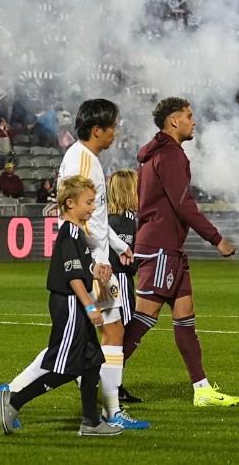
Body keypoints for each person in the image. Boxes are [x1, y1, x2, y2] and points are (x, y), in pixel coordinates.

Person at [0, 99, 146, 429]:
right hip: (94, 266)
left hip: (100, 260)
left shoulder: (86, 157)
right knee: (102, 336)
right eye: (113, 126)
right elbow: (81, 216)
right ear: (98, 129)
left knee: (94, 340)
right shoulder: (82, 160)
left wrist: (119, 246)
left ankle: (22, 393)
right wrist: (98, 262)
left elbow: (96, 217)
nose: (116, 132)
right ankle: (107, 411)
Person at [120, 97, 239, 407]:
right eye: (189, 116)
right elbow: (183, 204)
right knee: (144, 318)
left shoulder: (154, 154)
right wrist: (216, 239)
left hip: (168, 247)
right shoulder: (171, 155)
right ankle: (100, 372)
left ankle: (201, 390)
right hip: (161, 247)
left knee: (185, 317)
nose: (194, 121)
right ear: (173, 121)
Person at [0, 175, 123, 437]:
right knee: (68, 366)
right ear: (70, 203)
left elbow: (81, 269)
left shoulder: (78, 233)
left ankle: (90, 421)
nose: (92, 208)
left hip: (75, 302)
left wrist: (95, 270)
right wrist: (90, 307)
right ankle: (14, 400)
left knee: (92, 361)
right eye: (88, 202)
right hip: (70, 303)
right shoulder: (70, 232)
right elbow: (73, 276)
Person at [107, 168, 142, 404]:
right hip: (119, 279)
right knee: (122, 333)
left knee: (114, 334)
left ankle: (112, 383)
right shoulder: (126, 219)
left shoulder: (110, 219)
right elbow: (126, 259)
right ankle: (113, 384)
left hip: (107, 279)